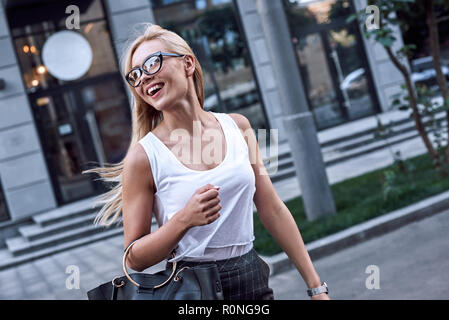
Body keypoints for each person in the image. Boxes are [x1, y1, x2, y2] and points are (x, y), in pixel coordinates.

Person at [85, 23, 330, 300]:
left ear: (187, 63)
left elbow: (272, 207)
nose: (143, 78)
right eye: (135, 74)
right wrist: (183, 221)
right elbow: (133, 258)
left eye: (153, 63)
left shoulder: (240, 126)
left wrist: (316, 287)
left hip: (251, 277)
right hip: (192, 288)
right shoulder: (142, 157)